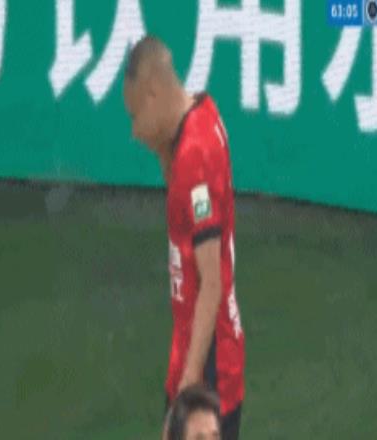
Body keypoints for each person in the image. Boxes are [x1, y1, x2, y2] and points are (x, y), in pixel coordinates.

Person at [123, 36, 244, 439]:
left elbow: (212, 282)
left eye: (135, 116)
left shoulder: (195, 157)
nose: (134, 132)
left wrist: (188, 389)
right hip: (194, 349)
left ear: (153, 95)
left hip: (208, 368)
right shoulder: (203, 114)